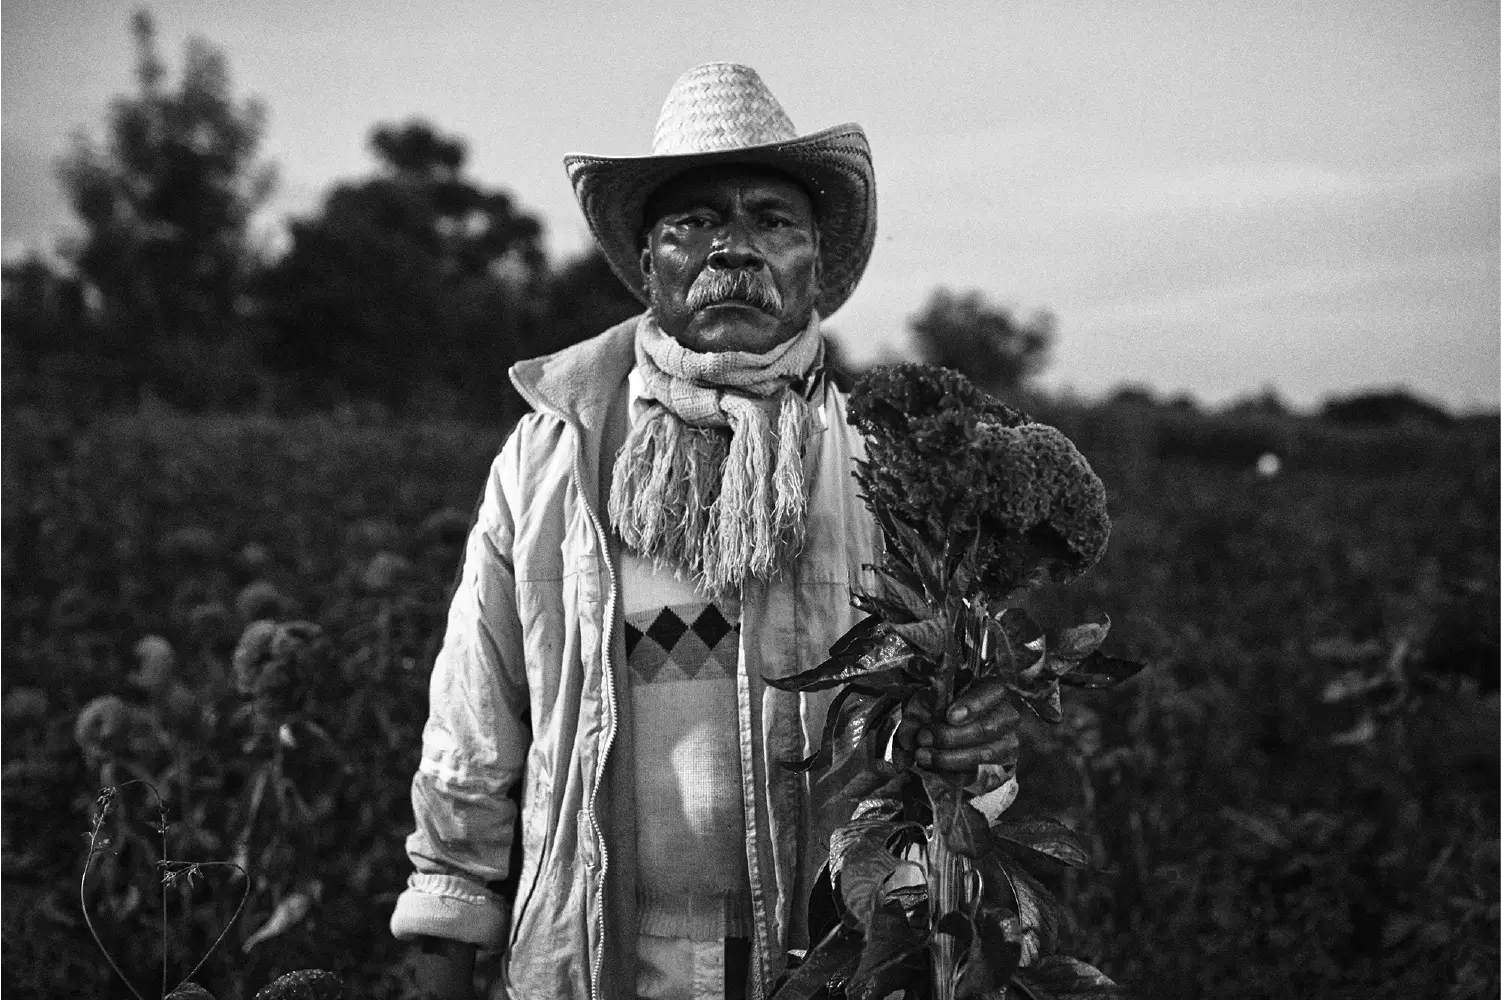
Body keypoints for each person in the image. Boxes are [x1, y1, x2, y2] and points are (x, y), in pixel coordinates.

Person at [390, 63, 1021, 1000]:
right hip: (596, 957)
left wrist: (976, 744)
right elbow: (471, 728)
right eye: (693, 222)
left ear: (815, 263)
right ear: (648, 264)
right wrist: (444, 931)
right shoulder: (552, 458)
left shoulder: (886, 463)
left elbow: (970, 755)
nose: (734, 250)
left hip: (834, 962)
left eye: (771, 220)